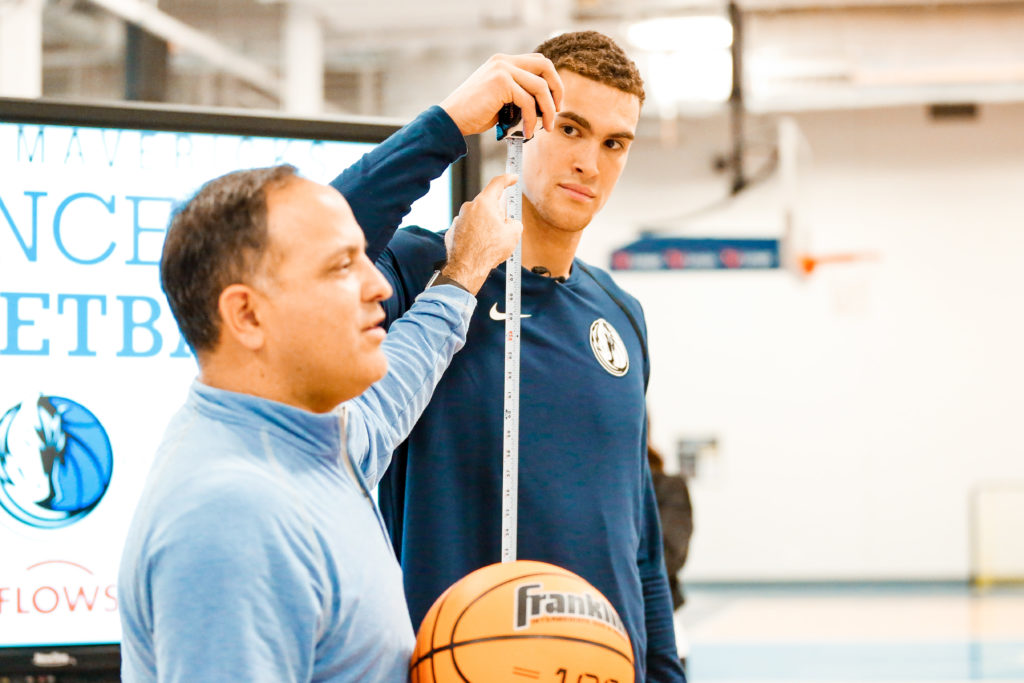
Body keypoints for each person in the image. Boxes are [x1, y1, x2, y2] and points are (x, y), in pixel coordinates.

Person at [332, 33, 686, 681]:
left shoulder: (619, 313)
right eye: (571, 129)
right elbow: (309, 247)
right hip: (457, 661)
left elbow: (637, 541)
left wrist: (664, 670)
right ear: (521, 127)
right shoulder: (423, 270)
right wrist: (447, 125)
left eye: (614, 143)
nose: (590, 162)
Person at [117, 150, 524, 677]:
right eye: (341, 266)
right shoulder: (235, 513)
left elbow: (394, 385)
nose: (378, 286)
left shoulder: (311, 441)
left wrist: (464, 271)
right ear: (246, 314)